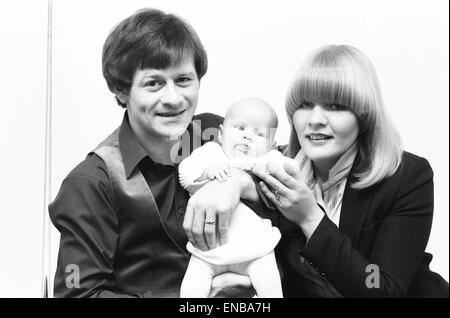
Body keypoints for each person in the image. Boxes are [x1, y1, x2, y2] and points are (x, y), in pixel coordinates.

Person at [49, 8, 258, 298]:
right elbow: (77, 294)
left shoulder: (213, 132)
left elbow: (282, 197)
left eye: (183, 80)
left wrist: (237, 182)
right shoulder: (92, 182)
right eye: (153, 83)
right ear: (122, 91)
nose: (173, 98)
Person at [252, 44, 449, 297]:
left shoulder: (407, 177)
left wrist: (310, 218)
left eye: (335, 106)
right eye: (305, 104)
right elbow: (217, 132)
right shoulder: (276, 168)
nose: (315, 119)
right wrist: (226, 186)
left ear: (363, 115)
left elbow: (380, 287)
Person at [179, 97, 297, 298]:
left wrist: (266, 170)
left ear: (272, 144)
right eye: (240, 128)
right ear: (221, 134)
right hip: (208, 253)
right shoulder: (211, 154)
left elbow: (293, 174)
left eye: (259, 134)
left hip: (257, 251)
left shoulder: (268, 160)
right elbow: (185, 173)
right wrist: (207, 172)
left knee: (271, 286)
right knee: (192, 287)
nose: (247, 137)